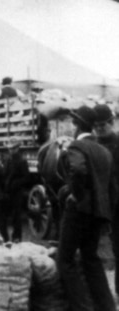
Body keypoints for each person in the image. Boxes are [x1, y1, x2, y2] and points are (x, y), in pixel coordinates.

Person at [57, 105, 116, 311]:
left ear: (75, 125)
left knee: (65, 260)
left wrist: (76, 194)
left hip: (79, 211)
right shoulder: (102, 150)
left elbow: (79, 170)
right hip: (98, 212)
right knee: (91, 258)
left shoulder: (76, 146)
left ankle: (82, 307)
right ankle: (107, 305)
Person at [93, 104, 119, 299]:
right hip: (99, 204)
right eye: (96, 125)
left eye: (103, 124)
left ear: (112, 123)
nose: (100, 128)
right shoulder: (93, 145)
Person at [3, 138, 30, 242]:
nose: (11, 151)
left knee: (16, 216)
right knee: (5, 215)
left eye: (13, 148)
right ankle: (6, 238)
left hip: (17, 192)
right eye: (9, 149)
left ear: (18, 148)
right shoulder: (7, 160)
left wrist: (15, 184)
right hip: (7, 191)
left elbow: (26, 178)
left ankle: (17, 237)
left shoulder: (22, 161)